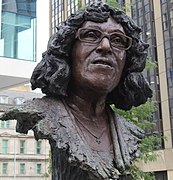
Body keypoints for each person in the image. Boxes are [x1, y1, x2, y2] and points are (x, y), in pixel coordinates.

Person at [1, 2, 152, 180]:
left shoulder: (129, 132)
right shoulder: (43, 114)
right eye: (91, 35)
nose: (106, 46)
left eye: (118, 40)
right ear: (67, 50)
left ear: (127, 61)